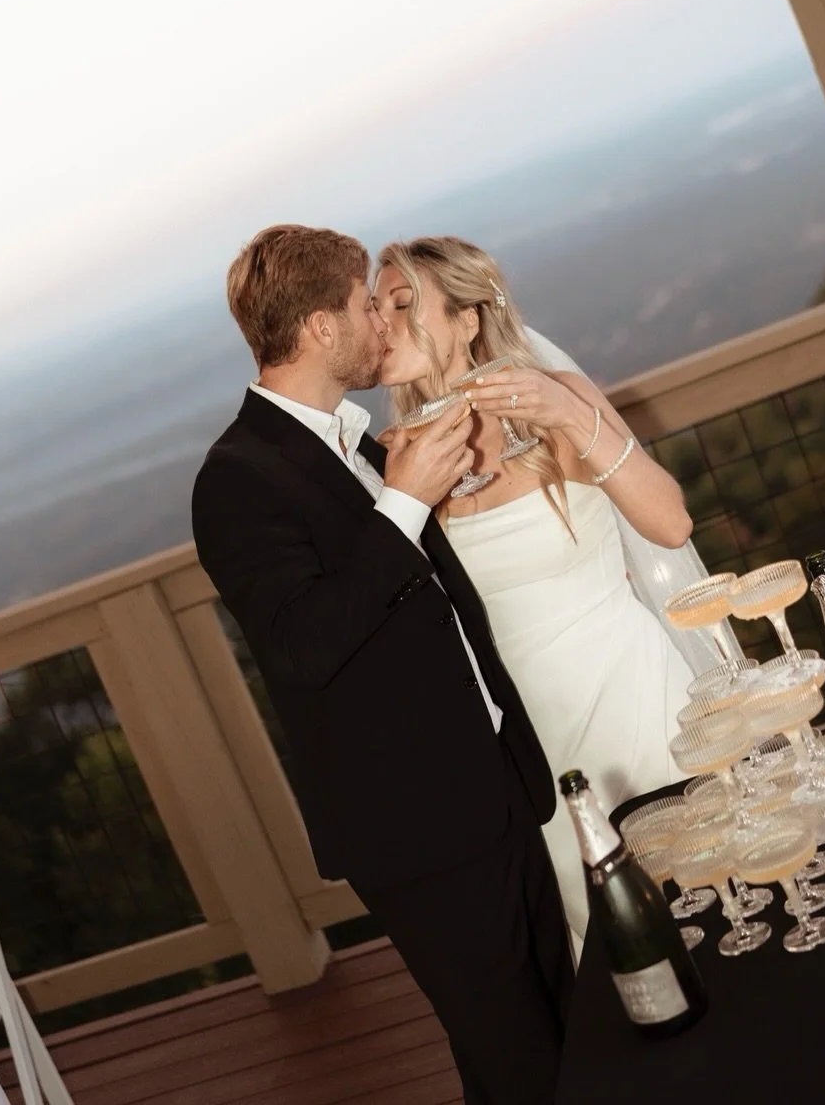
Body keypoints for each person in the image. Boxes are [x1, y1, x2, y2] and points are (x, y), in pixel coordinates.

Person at [191, 225, 574, 1105]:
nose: (380, 321)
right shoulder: (237, 478)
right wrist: (403, 502)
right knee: (519, 1060)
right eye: (367, 304)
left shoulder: (359, 447)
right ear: (322, 328)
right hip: (419, 830)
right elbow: (304, 644)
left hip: (495, 789)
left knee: (558, 1031)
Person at [375, 236, 700, 952]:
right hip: (531, 750)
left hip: (632, 702)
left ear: (467, 319)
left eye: (403, 304)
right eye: (375, 307)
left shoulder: (558, 402)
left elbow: (671, 524)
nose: (382, 322)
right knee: (619, 944)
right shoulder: (395, 462)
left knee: (712, 895)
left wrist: (570, 416)